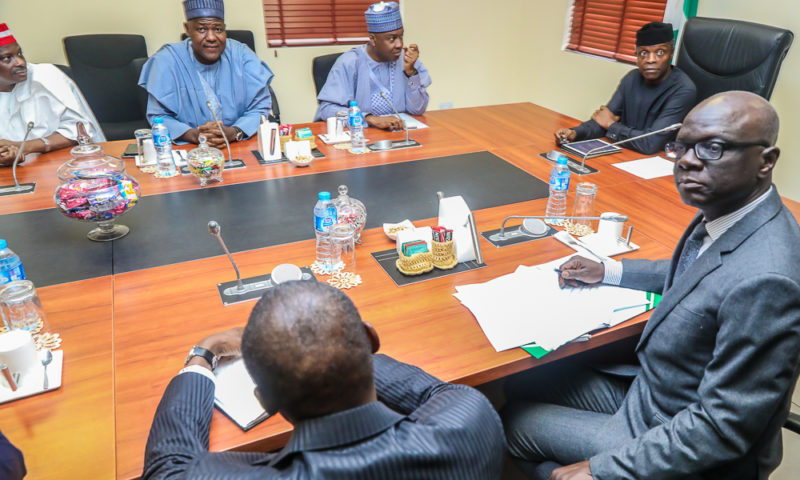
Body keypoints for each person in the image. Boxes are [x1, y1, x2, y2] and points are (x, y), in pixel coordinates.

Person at [504, 91, 800, 479]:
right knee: (522, 378)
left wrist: (601, 470)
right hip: (651, 393)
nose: (689, 161)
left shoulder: (768, 280)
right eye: (683, 146)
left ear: (766, 161)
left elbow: (721, 428)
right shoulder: (731, 210)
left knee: (511, 424)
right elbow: (697, 271)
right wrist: (609, 271)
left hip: (673, 430)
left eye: (713, 148)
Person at [143, 281, 505, 479]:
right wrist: (339, 344)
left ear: (264, 400)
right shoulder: (472, 417)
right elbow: (430, 391)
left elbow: (168, 466)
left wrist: (204, 353)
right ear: (371, 341)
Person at [138, 0, 273, 147]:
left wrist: (235, 132)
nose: (211, 37)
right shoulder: (166, 60)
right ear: (187, 29)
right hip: (190, 150)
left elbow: (260, 108)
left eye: (218, 29)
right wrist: (194, 135)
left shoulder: (242, 55)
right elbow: (159, 116)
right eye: (202, 29)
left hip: (238, 145)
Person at [554, 22, 696, 155]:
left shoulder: (683, 89)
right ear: (636, 55)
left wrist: (611, 125)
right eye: (644, 53)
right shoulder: (632, 78)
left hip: (659, 165)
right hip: (626, 154)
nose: (651, 59)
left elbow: (650, 143)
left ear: (671, 53)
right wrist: (575, 133)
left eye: (660, 52)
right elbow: (602, 121)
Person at [315, 1, 431, 130]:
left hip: (400, 134)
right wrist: (369, 118)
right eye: (391, 39)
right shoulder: (349, 62)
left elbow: (417, 110)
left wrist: (411, 73)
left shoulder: (406, 59)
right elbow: (327, 110)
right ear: (373, 39)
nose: (399, 44)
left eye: (400, 36)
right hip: (360, 137)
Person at [0, 22, 104, 167]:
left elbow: (82, 131)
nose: (20, 62)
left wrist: (26, 147)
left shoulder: (46, 77)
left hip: (63, 165)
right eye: (7, 58)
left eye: (19, 53)